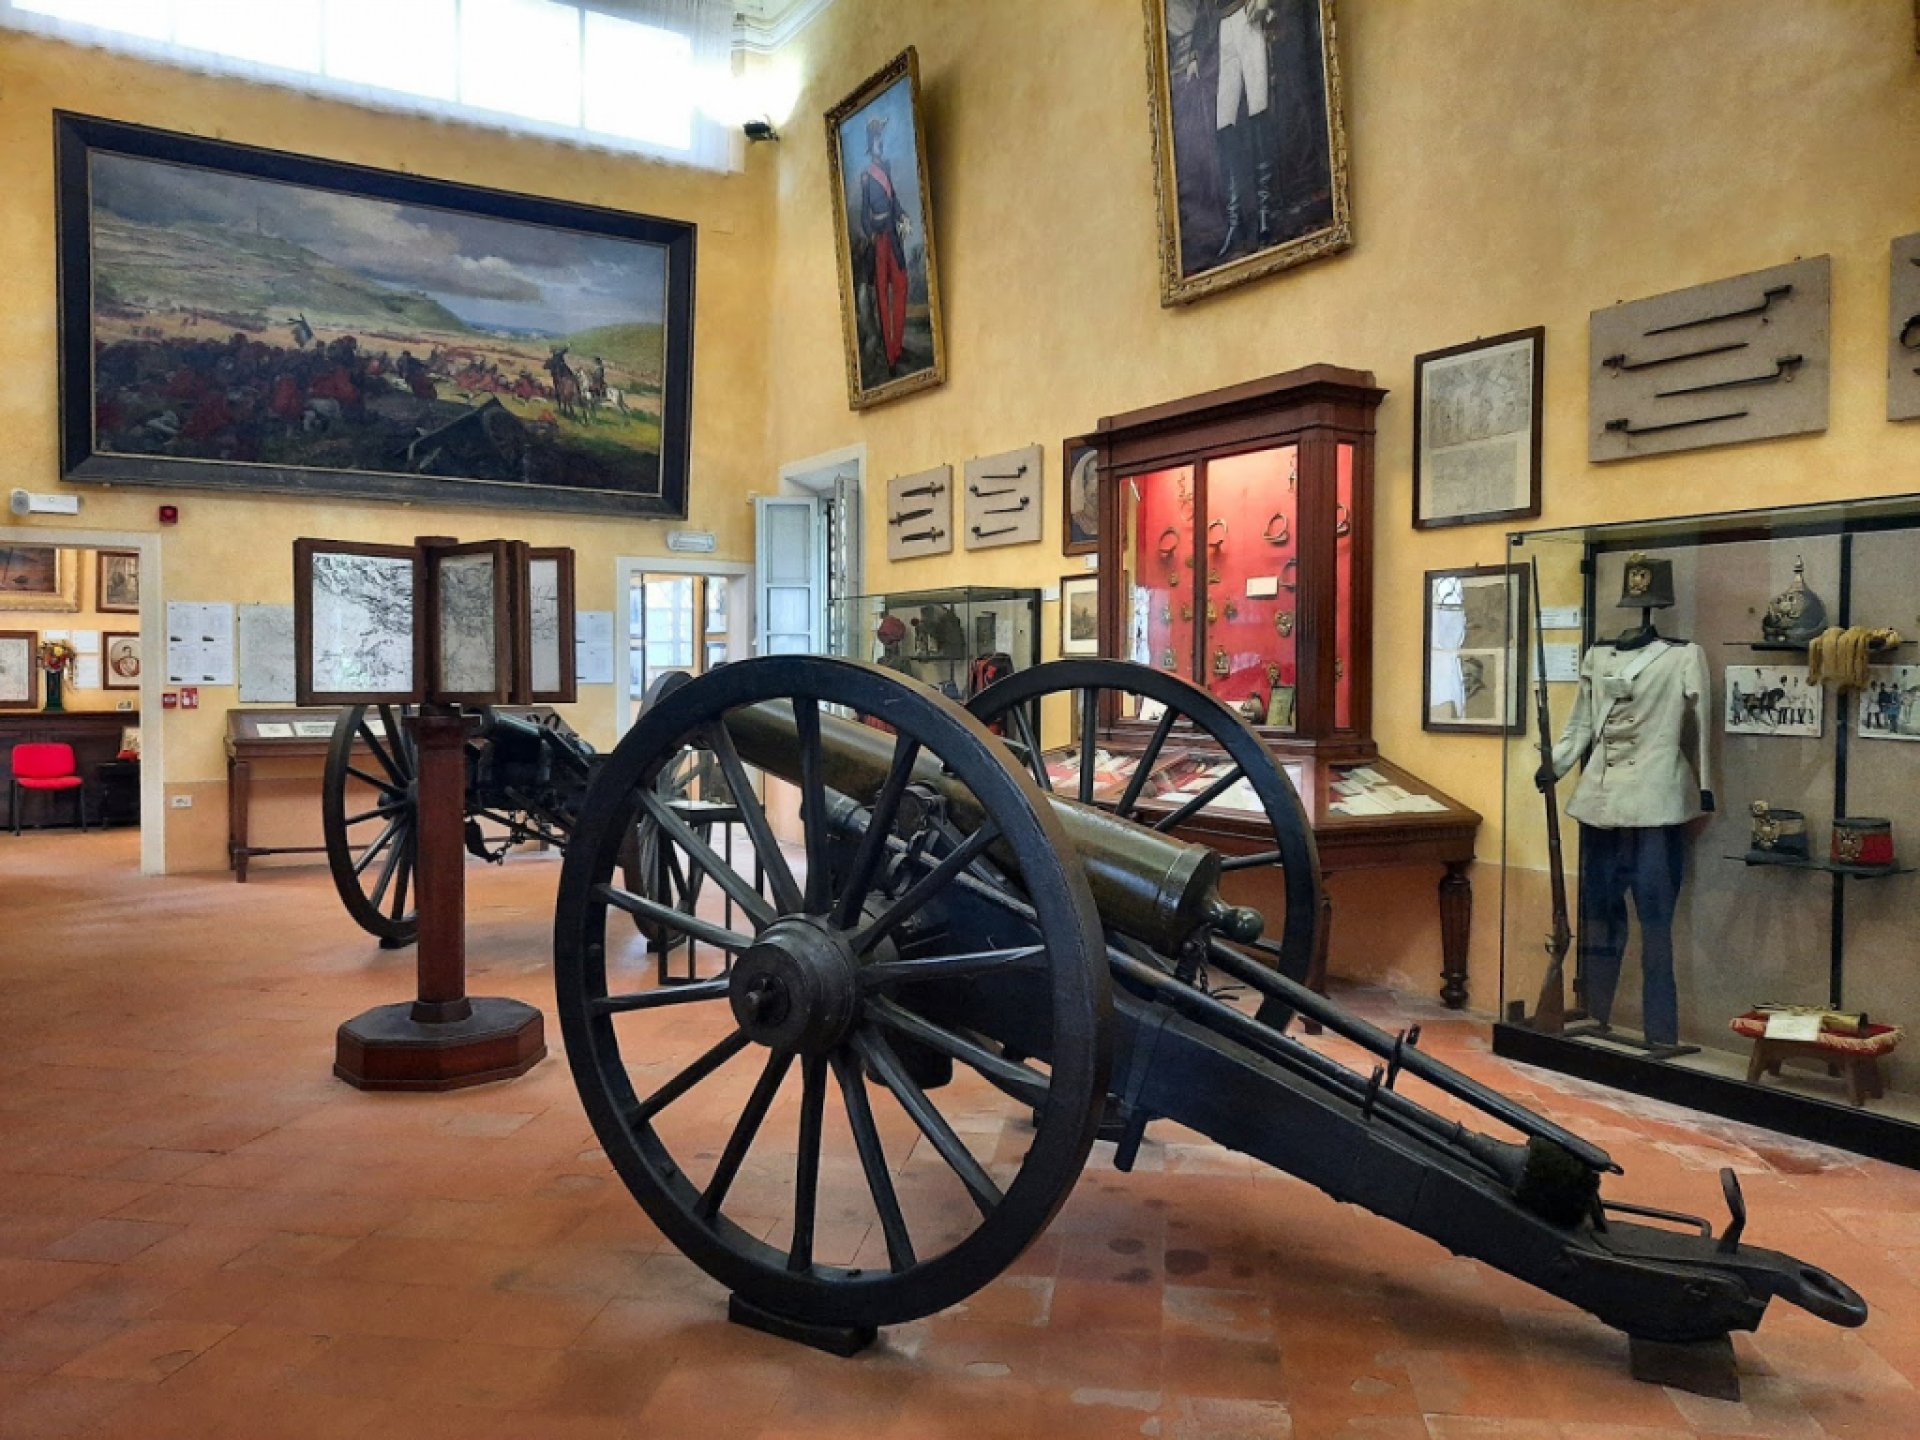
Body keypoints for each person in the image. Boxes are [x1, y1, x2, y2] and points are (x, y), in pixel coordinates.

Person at [1540, 556, 1711, 1048]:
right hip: (1600, 803)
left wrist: (1706, 787)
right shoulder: (1599, 655)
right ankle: (1597, 1017)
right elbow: (1580, 721)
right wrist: (1555, 764)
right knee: (1599, 918)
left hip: (1656, 803)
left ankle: (1661, 1031)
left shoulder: (1683, 656)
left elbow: (1701, 728)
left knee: (1656, 925)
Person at [857, 113, 912, 375]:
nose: (880, 143)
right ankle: (890, 356)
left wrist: (903, 216)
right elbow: (864, 213)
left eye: (881, 138)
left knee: (901, 286)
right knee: (882, 297)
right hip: (879, 238)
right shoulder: (867, 176)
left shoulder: (886, 169)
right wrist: (871, 234)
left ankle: (897, 347)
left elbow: (894, 200)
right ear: (871, 144)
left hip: (893, 236)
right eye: (876, 139)